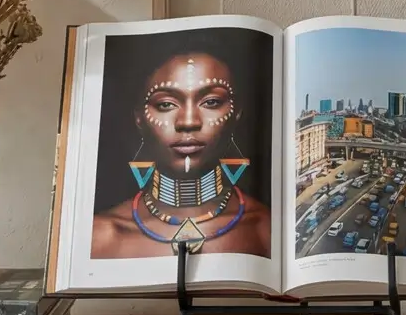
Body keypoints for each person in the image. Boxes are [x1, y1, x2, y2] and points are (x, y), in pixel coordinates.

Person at [92, 43, 271, 259]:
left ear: (237, 113)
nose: (188, 122)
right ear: (139, 117)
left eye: (211, 102)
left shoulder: (265, 228)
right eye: (166, 104)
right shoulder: (100, 236)